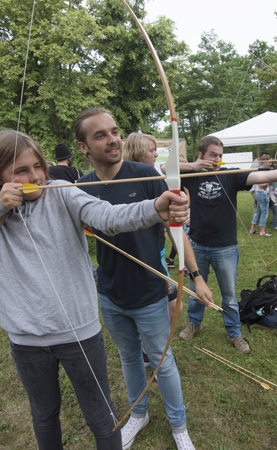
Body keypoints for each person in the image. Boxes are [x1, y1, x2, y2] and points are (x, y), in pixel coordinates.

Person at [0, 130, 189, 450]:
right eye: (20, 170)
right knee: (45, 416)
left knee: (101, 417)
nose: (35, 175)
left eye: (38, 166)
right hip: (27, 341)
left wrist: (154, 207)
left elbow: (108, 217)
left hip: (80, 334)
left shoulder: (62, 191)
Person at [75, 109, 213, 450]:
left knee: (162, 361)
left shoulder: (146, 174)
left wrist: (195, 276)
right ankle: (139, 415)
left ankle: (179, 426)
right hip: (109, 293)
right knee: (128, 358)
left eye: (115, 131)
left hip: (150, 292)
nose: (113, 140)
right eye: (100, 135)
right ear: (83, 147)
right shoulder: (80, 188)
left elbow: (176, 229)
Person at [170, 136, 277, 353]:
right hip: (197, 245)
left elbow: (263, 174)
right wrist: (194, 166)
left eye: (220, 155)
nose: (217, 159)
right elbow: (165, 168)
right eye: (212, 155)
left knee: (228, 295)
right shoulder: (191, 174)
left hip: (225, 247)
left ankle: (234, 333)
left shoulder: (230, 174)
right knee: (195, 290)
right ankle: (195, 323)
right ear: (201, 155)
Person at [123, 132, 182, 324]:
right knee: (168, 305)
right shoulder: (127, 178)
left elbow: (169, 214)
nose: (156, 154)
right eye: (152, 150)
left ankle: (152, 346)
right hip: (136, 253)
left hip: (157, 251)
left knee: (174, 305)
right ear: (139, 153)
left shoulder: (152, 175)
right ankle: (150, 347)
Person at [248, 155, 274, 236]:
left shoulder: (264, 170)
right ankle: (262, 232)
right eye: (269, 162)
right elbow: (260, 184)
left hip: (260, 193)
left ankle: (252, 229)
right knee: (264, 213)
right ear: (265, 162)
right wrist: (270, 180)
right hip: (262, 193)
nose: (271, 164)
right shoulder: (260, 171)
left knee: (258, 212)